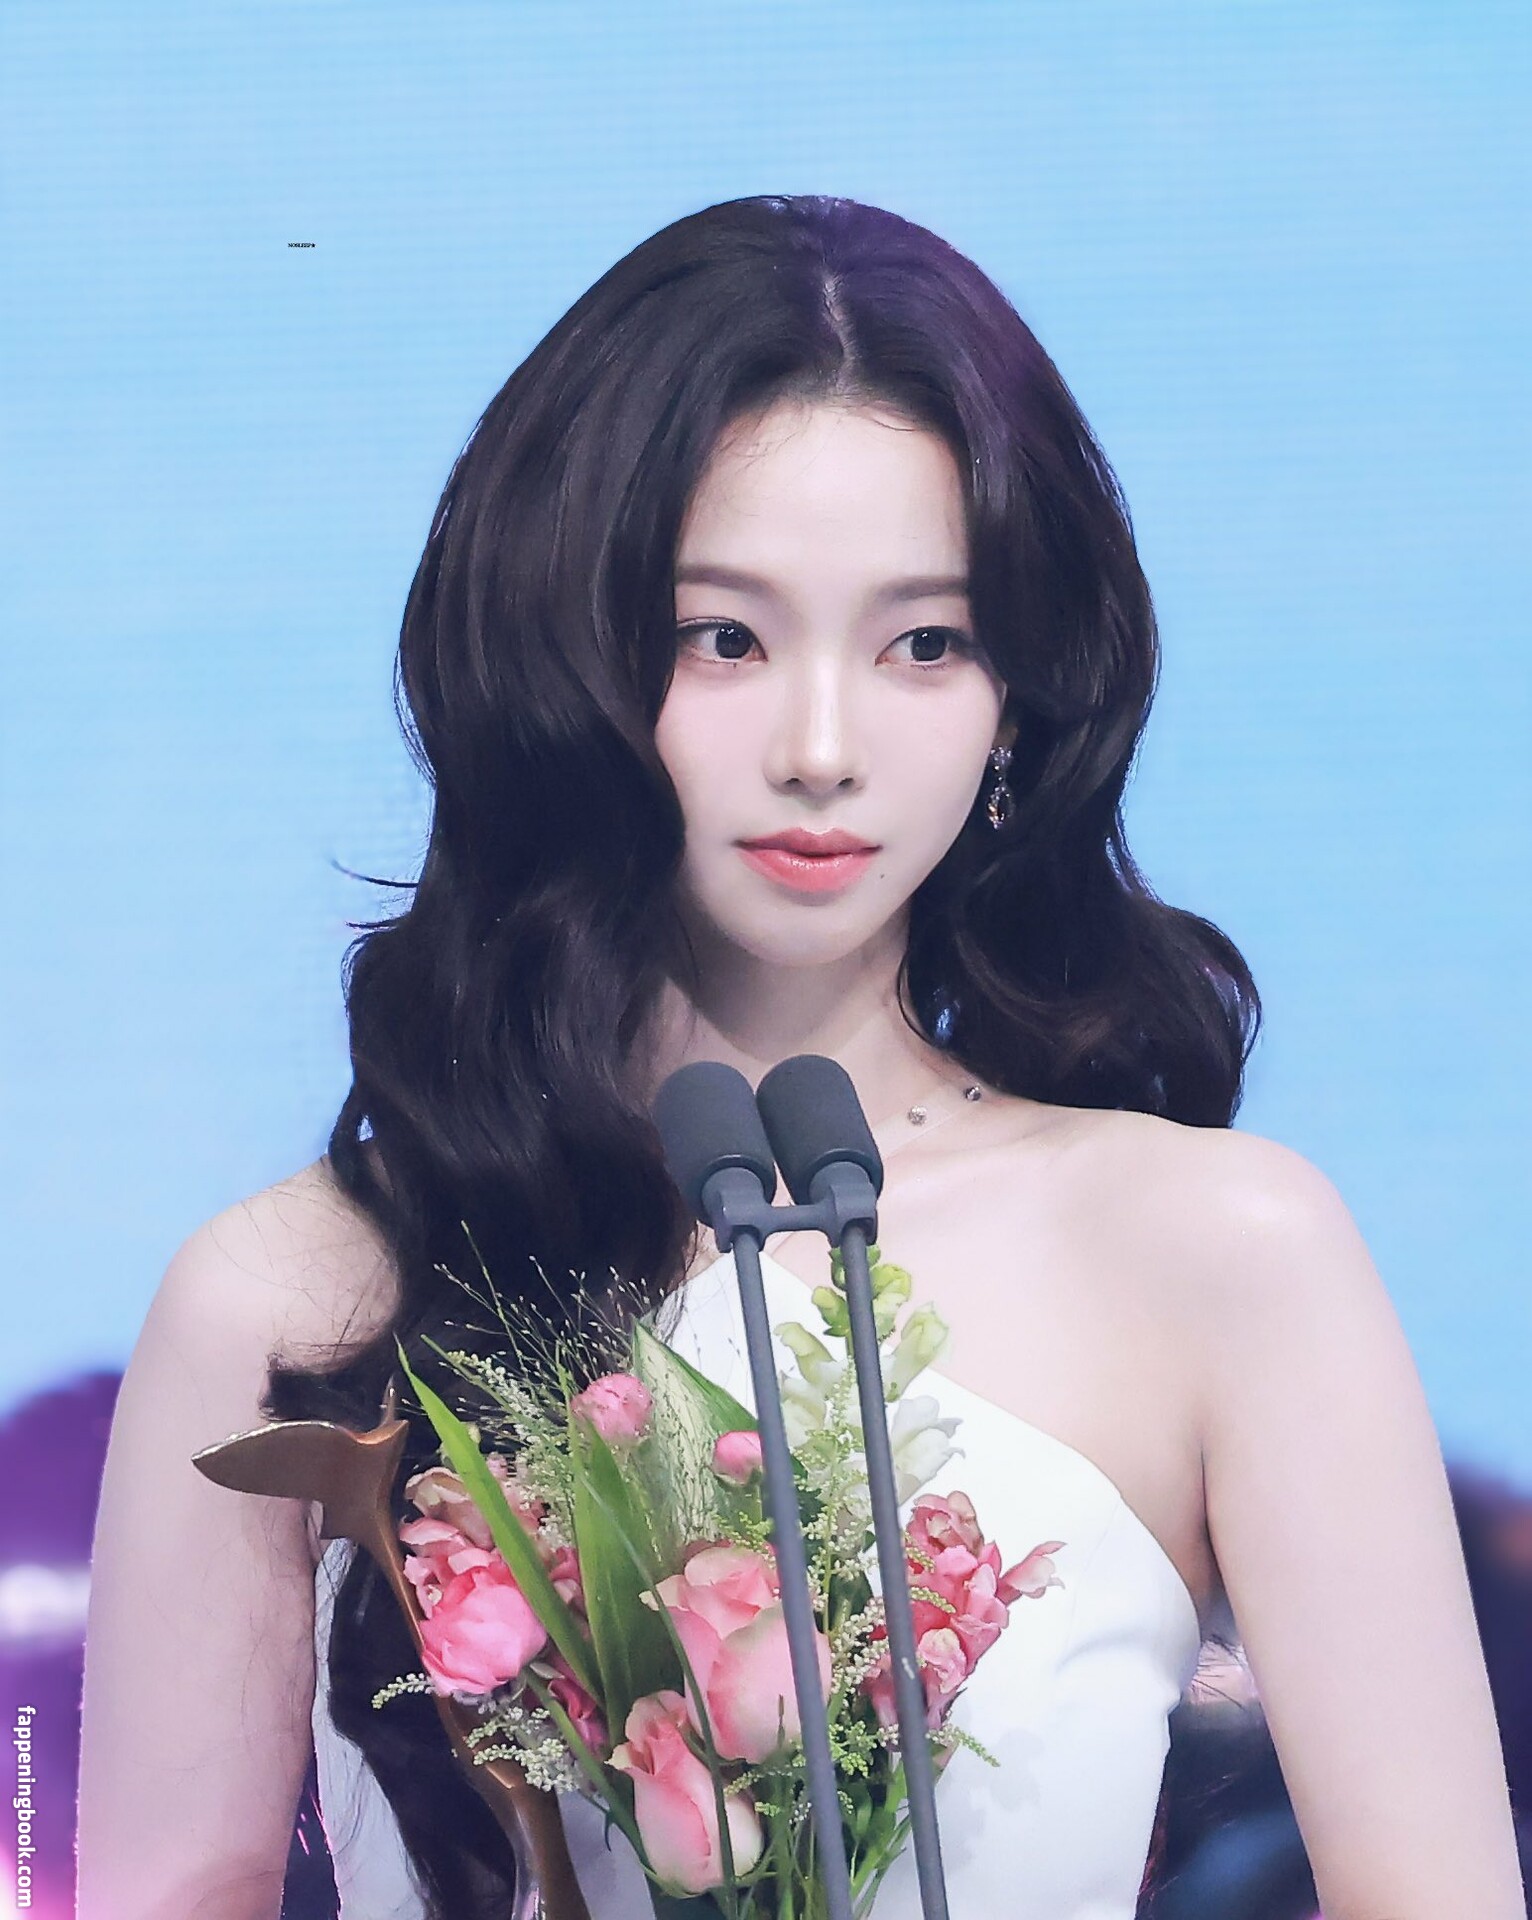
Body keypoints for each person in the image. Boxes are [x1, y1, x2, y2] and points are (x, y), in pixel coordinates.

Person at [75, 194, 1523, 1920]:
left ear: (1016, 704)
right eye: (726, 639)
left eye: (926, 643)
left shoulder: (1224, 1252)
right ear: (559, 664)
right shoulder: (287, 1297)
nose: (822, 747)